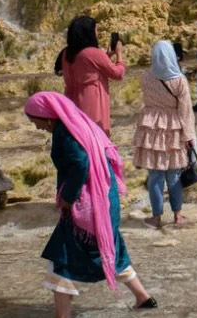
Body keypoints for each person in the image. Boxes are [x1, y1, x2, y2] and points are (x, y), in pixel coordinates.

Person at [24, 92, 156, 316]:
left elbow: (80, 164)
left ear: (47, 117)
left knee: (62, 257)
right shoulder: (80, 124)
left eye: (35, 121)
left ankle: (62, 315)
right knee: (109, 247)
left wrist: (67, 198)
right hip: (105, 199)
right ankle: (143, 297)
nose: (36, 127)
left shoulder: (65, 134)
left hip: (88, 206)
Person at [134, 41, 196, 229]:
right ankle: (177, 215)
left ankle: (156, 217)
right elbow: (185, 111)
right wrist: (189, 135)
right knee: (174, 175)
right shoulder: (179, 80)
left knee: (155, 175)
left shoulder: (146, 77)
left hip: (152, 127)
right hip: (173, 129)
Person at [60, 16, 125, 136]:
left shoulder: (66, 52)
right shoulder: (93, 53)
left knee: (79, 138)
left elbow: (89, 68)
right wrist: (119, 55)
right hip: (92, 102)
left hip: (71, 100)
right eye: (95, 30)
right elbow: (118, 74)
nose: (97, 33)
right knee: (95, 137)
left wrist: (106, 56)